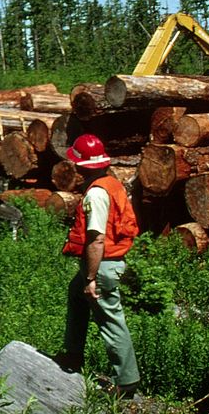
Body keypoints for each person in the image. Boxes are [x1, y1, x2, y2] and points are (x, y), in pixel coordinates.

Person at [54, 133, 141, 398]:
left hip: (102, 266)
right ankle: (72, 354)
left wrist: (91, 277)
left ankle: (126, 382)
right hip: (108, 263)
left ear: (80, 165)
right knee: (75, 293)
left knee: (110, 320)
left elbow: (96, 239)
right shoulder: (113, 184)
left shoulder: (97, 195)